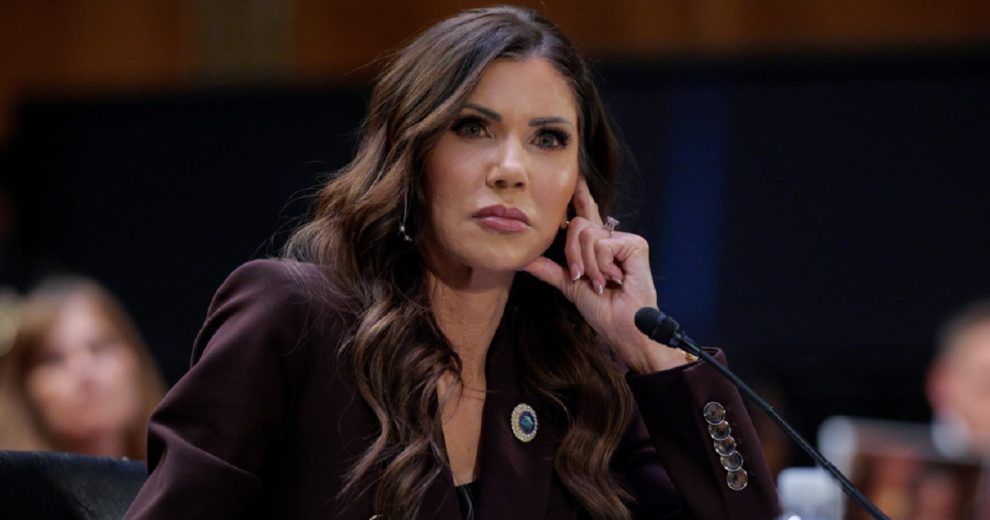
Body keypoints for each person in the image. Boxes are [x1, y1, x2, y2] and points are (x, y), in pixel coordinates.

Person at [126, 6, 779, 519]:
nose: (511, 170)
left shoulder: (576, 379)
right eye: (473, 128)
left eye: (548, 139)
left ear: (576, 189)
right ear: (411, 154)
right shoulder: (292, 319)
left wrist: (652, 353)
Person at [0, 276, 165, 460]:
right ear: (23, 387)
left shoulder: (184, 470)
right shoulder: (9, 479)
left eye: (99, 347)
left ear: (135, 359)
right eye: (55, 359)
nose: (84, 372)